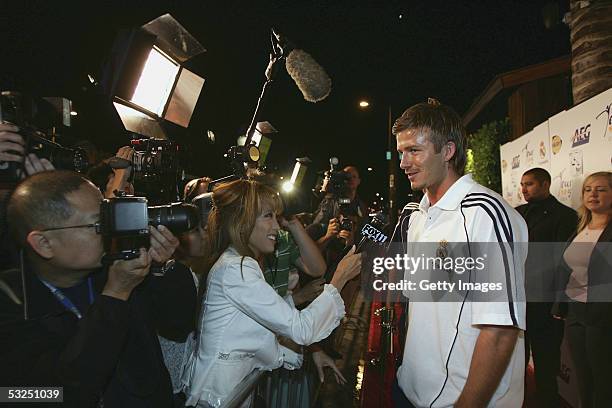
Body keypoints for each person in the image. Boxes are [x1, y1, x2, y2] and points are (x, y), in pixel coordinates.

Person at [0, 170, 197, 408]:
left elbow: (178, 325)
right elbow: (46, 395)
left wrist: (162, 269)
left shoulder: (118, 268)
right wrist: (114, 296)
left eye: (109, 216)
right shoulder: (12, 304)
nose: (110, 230)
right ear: (44, 243)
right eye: (97, 224)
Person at [393, 99, 528, 407]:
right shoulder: (418, 214)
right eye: (401, 152)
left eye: (414, 150)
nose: (404, 162)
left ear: (448, 151)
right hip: (409, 390)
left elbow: (499, 329)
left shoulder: (485, 214)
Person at [181, 179, 362, 407]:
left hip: (224, 395)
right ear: (242, 221)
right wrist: (340, 278)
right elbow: (300, 328)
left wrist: (311, 343)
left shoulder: (237, 263)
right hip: (218, 397)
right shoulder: (236, 268)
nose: (277, 227)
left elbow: (262, 320)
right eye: (268, 216)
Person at [515, 167, 577, 407]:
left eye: (529, 184)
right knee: (515, 362)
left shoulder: (566, 216)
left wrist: (559, 302)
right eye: (522, 184)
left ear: (545, 184)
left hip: (545, 302)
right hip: (518, 300)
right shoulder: (517, 213)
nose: (523, 189)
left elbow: (564, 262)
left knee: (546, 363)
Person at [552, 171, 612, 408]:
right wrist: (561, 304)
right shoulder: (581, 227)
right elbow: (568, 270)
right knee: (583, 377)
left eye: (601, 189)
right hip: (575, 313)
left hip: (603, 314)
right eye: (588, 189)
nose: (593, 194)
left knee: (604, 379)